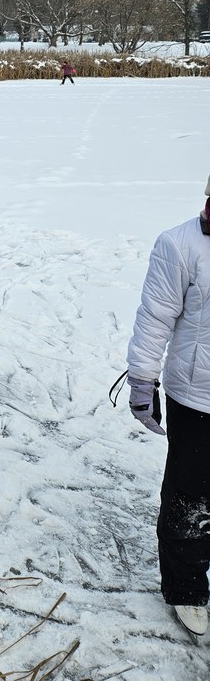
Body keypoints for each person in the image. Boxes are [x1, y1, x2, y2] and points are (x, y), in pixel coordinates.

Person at [126, 175, 210, 639]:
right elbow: (156, 314)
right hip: (196, 397)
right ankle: (186, 588)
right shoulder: (179, 246)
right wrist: (142, 379)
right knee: (190, 495)